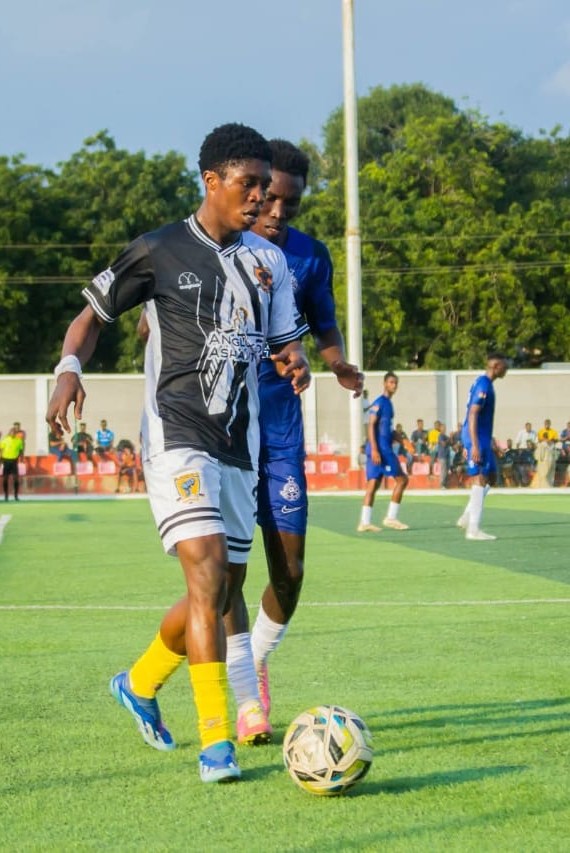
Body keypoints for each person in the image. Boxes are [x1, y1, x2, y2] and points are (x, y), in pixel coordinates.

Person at [44, 123, 308, 784]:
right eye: (247, 184)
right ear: (210, 181)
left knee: (218, 591)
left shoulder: (268, 263)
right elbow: (92, 315)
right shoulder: (159, 250)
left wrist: (297, 361)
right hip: (175, 436)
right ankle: (216, 741)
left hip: (237, 449)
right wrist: (69, 366)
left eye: (263, 185)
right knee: (210, 569)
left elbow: (282, 343)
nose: (259, 197)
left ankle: (139, 681)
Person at [223, 137, 363, 748]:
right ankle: (241, 697)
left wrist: (338, 364)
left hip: (280, 428)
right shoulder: (217, 250)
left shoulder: (309, 257)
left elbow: (323, 322)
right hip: (221, 428)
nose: (278, 212)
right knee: (223, 570)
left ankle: (255, 658)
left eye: (291, 203)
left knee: (291, 568)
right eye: (270, 197)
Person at [456, 352, 509, 539]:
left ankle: (467, 516)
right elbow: (473, 414)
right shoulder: (483, 385)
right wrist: (474, 445)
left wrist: (491, 443)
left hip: (483, 438)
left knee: (492, 477)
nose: (507, 368)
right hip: (476, 438)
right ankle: (473, 530)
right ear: (495, 366)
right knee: (479, 479)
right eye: (504, 365)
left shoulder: (487, 385)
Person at [359, 372, 410, 532]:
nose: (393, 385)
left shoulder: (389, 404)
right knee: (402, 480)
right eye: (391, 382)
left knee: (373, 484)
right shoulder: (380, 403)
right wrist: (374, 449)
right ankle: (391, 517)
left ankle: (365, 522)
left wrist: (403, 441)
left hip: (381, 449)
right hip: (381, 449)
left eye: (395, 383)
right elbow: (371, 426)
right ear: (384, 384)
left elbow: (389, 429)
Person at [0, 424, 23, 501]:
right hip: (6, 461)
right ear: (9, 433)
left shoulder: (19, 441)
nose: (13, 433)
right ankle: (6, 495)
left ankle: (16, 495)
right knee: (5, 479)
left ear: (16, 433)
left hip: (14, 461)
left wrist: (21, 458)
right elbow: (1, 451)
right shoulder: (4, 440)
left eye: (14, 432)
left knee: (16, 479)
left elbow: (20, 451)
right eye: (11, 432)